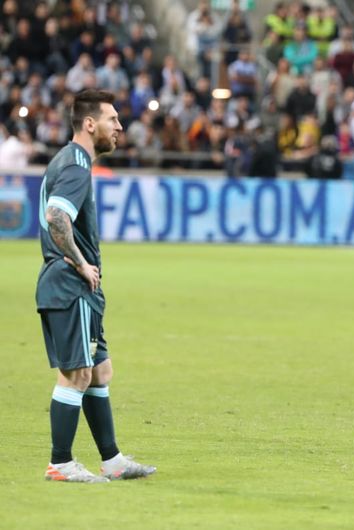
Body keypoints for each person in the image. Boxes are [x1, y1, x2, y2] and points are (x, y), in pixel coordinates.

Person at [36, 89, 156, 482]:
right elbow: (56, 216)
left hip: (78, 288)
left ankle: (112, 461)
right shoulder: (75, 164)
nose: (120, 127)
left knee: (99, 371)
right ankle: (61, 463)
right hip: (70, 285)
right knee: (77, 374)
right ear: (90, 124)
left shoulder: (71, 161)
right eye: (113, 120)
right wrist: (82, 262)